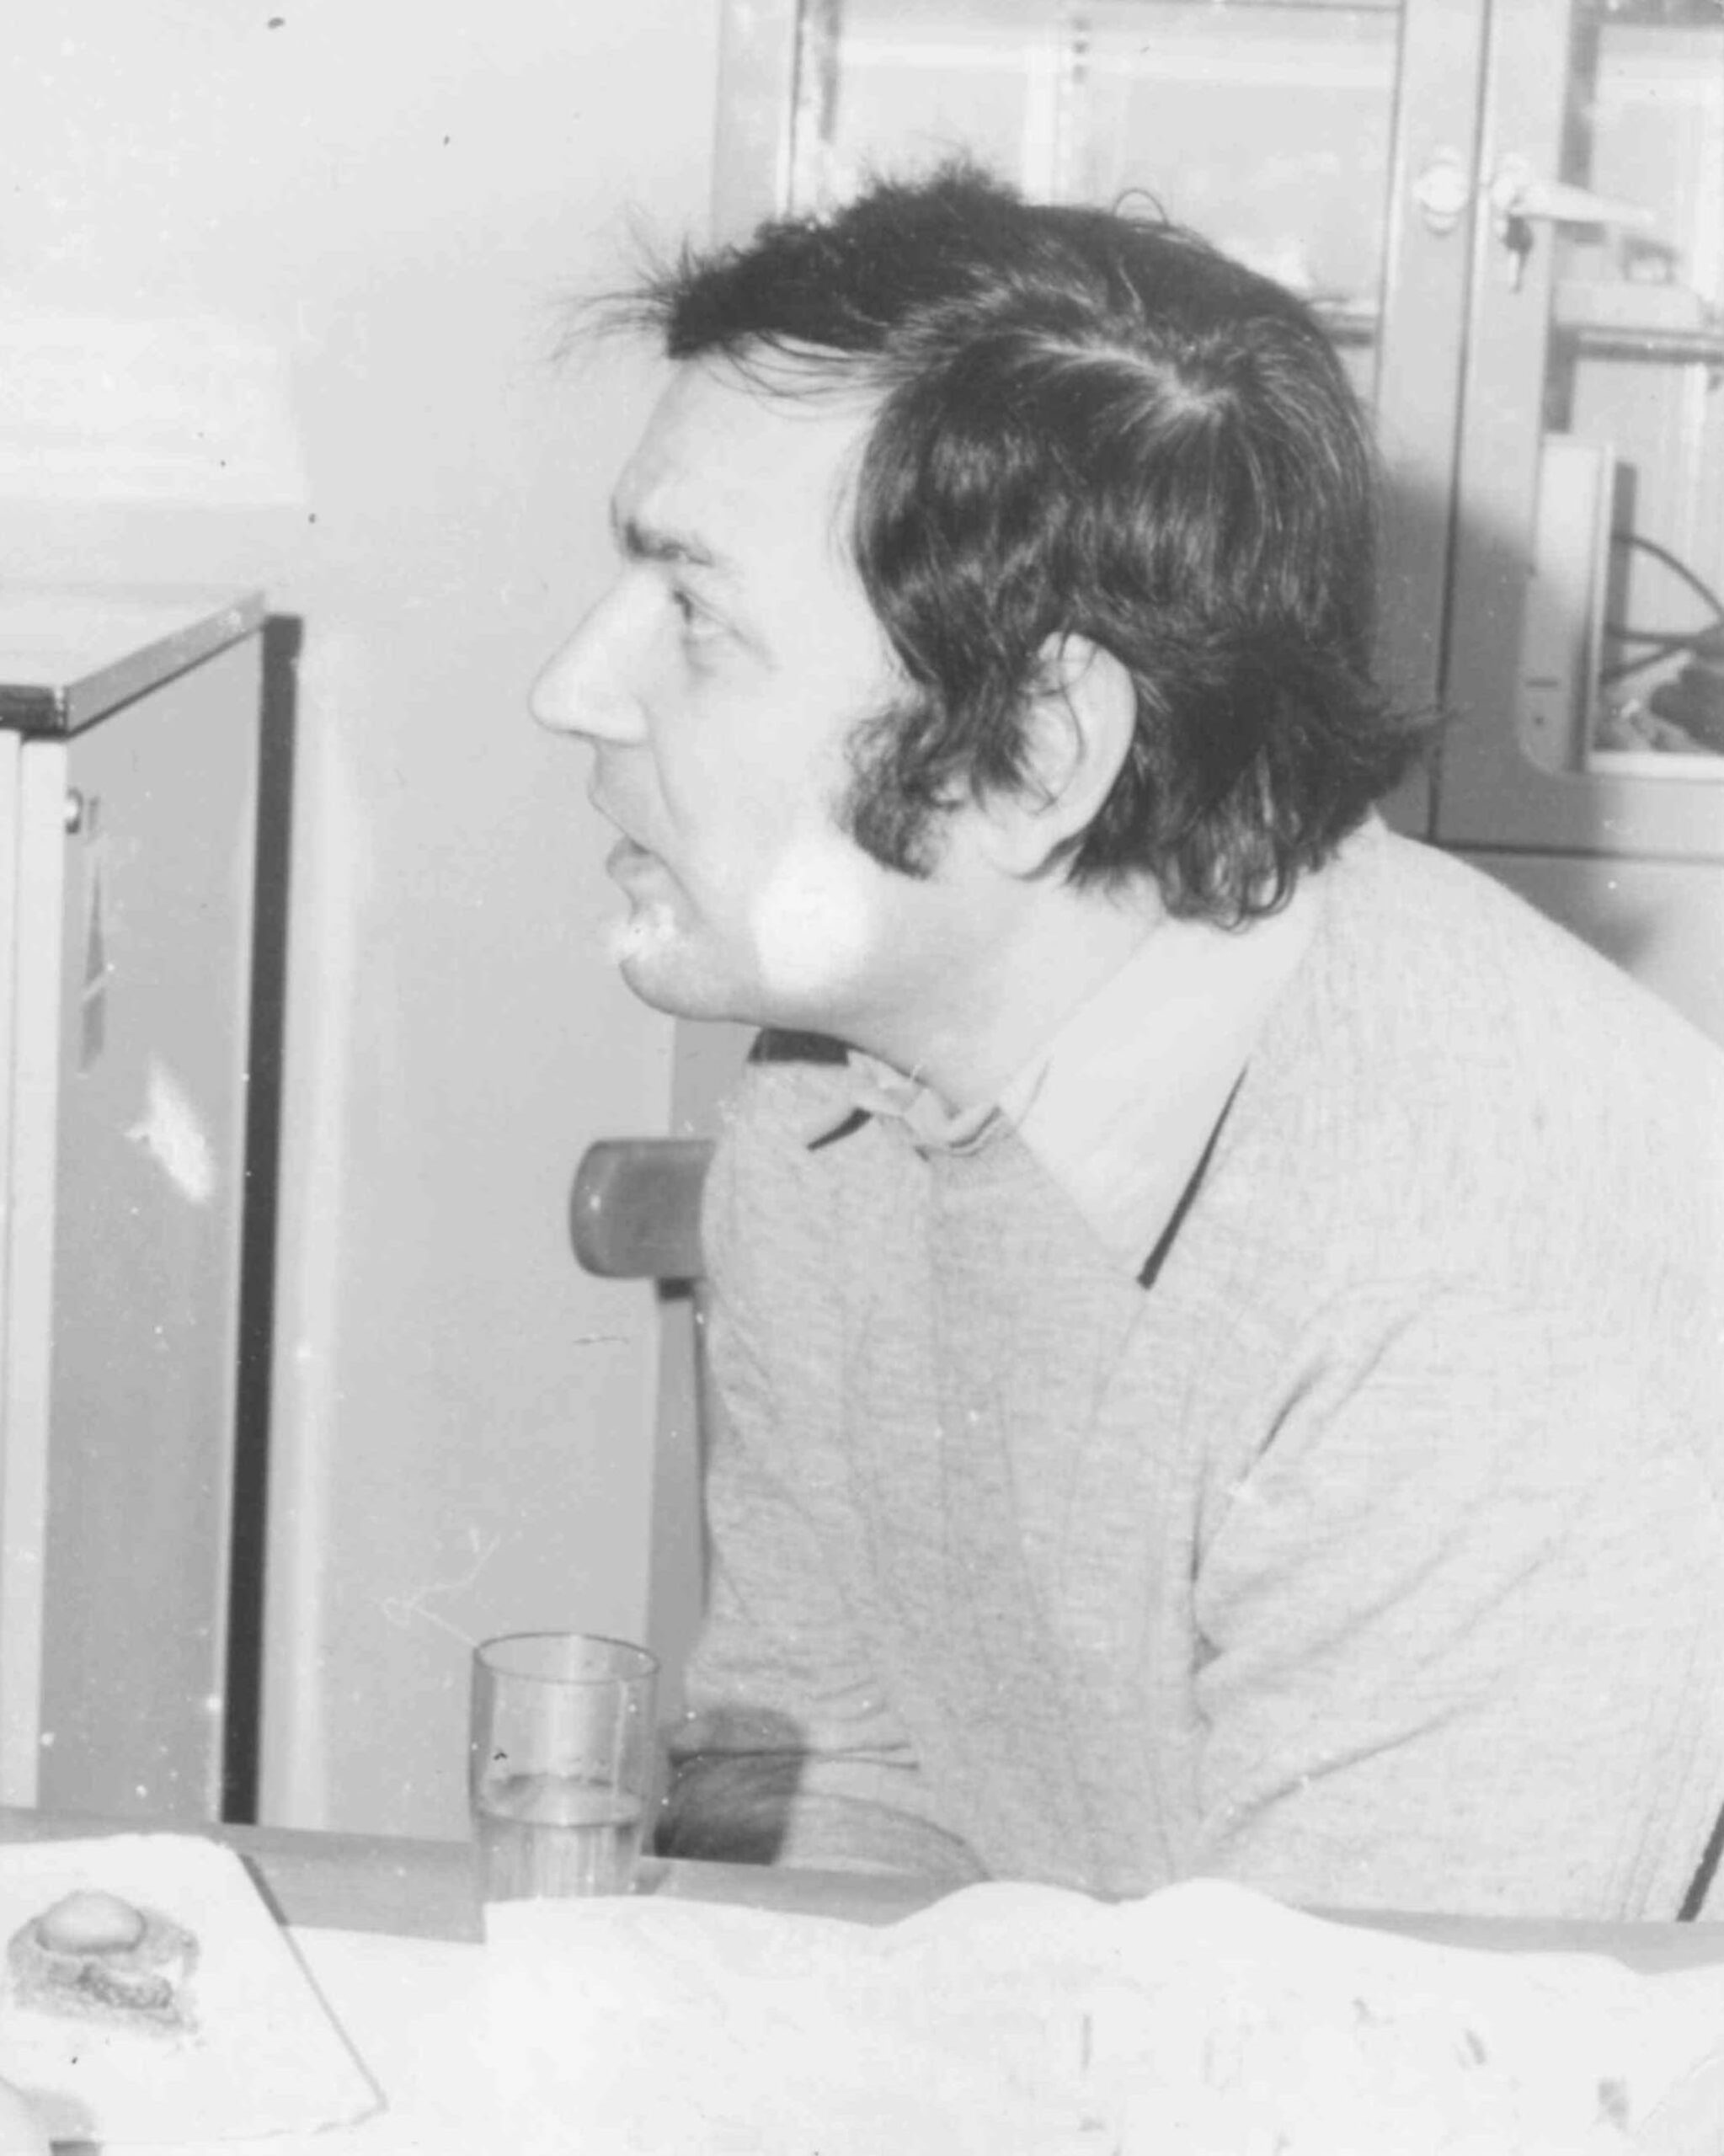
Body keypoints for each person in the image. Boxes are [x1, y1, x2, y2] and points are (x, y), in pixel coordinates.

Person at [532, 163, 1724, 1919]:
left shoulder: (1495, 1277)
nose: (573, 684)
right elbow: (832, 1775)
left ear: (1031, 754)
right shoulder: (831, 1104)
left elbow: (1372, 2052)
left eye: (696, 612)